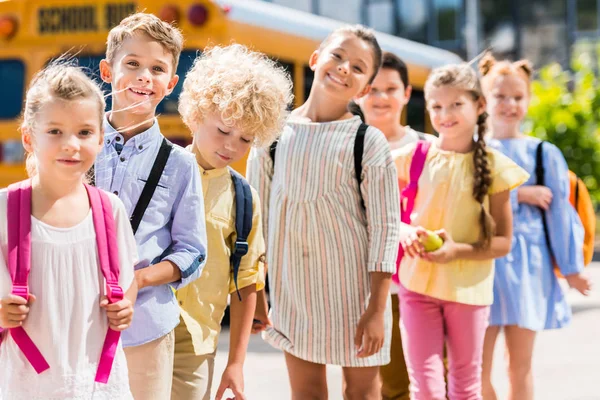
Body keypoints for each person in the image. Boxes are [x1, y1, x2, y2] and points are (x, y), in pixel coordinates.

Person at [247, 25, 401, 400]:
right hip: (293, 294)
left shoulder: (368, 142)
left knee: (362, 394)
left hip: (358, 298)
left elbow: (385, 229)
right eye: (337, 55)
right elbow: (256, 222)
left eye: (359, 67)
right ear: (316, 59)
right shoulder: (273, 135)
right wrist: (257, 289)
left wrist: (376, 310)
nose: (345, 67)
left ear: (364, 89)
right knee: (307, 394)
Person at [0, 61, 137, 399]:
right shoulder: (4, 208)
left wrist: (124, 309)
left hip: (100, 385)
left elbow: (128, 282)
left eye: (85, 132)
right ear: (29, 138)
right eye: (55, 131)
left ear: (102, 139)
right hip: (27, 384)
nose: (71, 144)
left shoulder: (110, 211)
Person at [393, 63, 529, 400]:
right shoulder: (411, 157)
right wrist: (404, 231)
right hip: (416, 286)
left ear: (479, 106)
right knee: (424, 386)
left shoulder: (497, 167)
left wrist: (456, 251)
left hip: (468, 293)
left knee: (465, 387)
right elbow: (384, 214)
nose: (444, 114)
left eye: (456, 104)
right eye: (436, 106)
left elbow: (503, 242)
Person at [171, 44, 293, 400]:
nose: (231, 146)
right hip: (140, 326)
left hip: (196, 342)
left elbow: (246, 284)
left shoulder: (244, 198)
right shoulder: (157, 171)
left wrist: (235, 364)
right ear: (196, 114)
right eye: (224, 130)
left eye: (246, 139)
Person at [96, 13, 207, 399]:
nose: (145, 76)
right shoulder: (80, 146)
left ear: (171, 83)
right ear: (108, 71)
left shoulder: (181, 164)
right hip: (76, 318)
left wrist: (138, 281)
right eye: (132, 64)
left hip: (146, 325)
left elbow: (192, 251)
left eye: (157, 68)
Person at [479, 53, 592, 400]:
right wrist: (519, 195)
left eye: (518, 97)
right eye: (500, 96)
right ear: (483, 99)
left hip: (530, 269)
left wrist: (572, 269)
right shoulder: (472, 150)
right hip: (481, 266)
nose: (509, 104)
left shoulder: (545, 153)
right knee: (473, 367)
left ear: (528, 100)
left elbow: (561, 217)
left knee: (520, 365)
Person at [356, 51, 435, 400]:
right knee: (384, 387)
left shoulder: (430, 148)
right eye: (372, 88)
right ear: (359, 93)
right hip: (369, 289)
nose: (381, 97)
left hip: (426, 285)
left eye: (391, 88)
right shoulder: (347, 148)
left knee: (433, 381)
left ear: (407, 93)